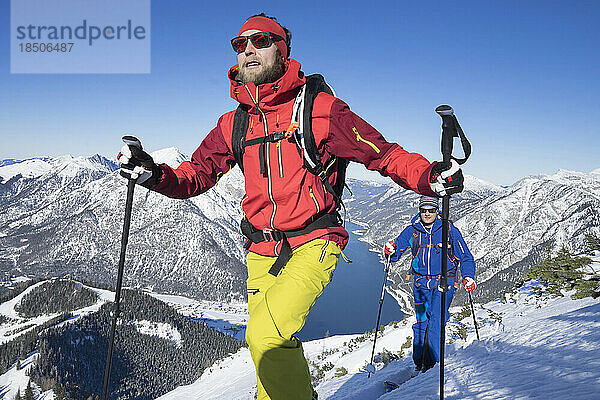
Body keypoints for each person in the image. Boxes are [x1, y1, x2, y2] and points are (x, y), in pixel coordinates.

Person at [117, 13, 464, 400]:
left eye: (260, 41)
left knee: (265, 334)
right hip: (261, 250)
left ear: (281, 50)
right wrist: (153, 175)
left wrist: (428, 176)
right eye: (240, 44)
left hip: (314, 241)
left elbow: (381, 154)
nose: (248, 49)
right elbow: (195, 175)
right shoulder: (232, 124)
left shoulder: (322, 111)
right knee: (266, 344)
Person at [384, 196, 476, 373]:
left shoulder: (449, 230)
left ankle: (433, 365)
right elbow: (396, 252)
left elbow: (465, 257)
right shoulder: (412, 231)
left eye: (431, 210)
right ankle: (419, 362)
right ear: (419, 211)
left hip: (445, 282)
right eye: (424, 210)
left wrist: (468, 276)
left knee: (436, 320)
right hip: (420, 283)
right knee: (421, 322)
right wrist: (389, 250)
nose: (427, 213)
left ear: (437, 211)